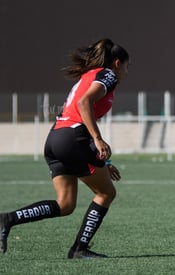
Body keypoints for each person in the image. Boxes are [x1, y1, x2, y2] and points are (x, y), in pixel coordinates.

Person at [0, 38, 129, 259]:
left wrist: (104, 162)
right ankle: (79, 249)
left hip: (56, 139)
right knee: (106, 193)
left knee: (65, 204)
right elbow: (84, 104)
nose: (128, 70)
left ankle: (7, 219)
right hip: (73, 139)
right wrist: (98, 139)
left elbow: (79, 110)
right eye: (128, 65)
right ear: (117, 63)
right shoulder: (108, 75)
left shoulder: (89, 76)